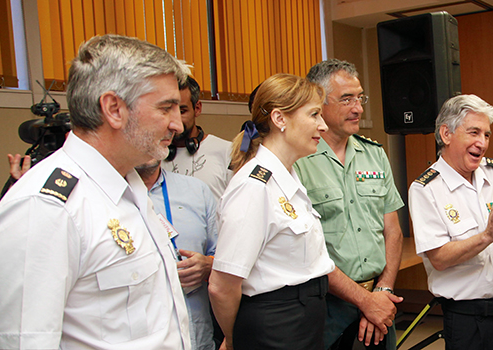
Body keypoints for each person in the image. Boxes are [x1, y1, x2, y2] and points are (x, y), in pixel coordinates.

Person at [0, 34, 192, 349]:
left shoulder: (128, 186)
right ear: (113, 109)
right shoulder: (46, 208)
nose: (178, 124)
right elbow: (21, 341)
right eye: (166, 108)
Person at [208, 73, 335, 350]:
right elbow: (222, 286)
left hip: (304, 319)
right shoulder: (254, 187)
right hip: (274, 326)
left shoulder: (288, 178)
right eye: (314, 114)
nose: (323, 126)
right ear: (280, 119)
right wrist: (234, 339)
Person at [408, 94, 493, 350]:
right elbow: (440, 258)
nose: (482, 143)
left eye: (486, 134)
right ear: (446, 134)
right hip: (471, 321)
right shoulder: (425, 189)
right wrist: (486, 237)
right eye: (474, 132)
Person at [295, 58, 404, 349]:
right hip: (327, 307)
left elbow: (392, 231)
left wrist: (382, 291)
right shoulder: (298, 161)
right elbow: (305, 250)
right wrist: (365, 301)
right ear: (319, 102)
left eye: (360, 98)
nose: (358, 108)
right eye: (346, 99)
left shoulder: (374, 154)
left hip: (380, 302)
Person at [136, 159, 219, 350]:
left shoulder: (197, 190)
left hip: (197, 337)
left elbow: (222, 256)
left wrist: (208, 265)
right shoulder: (100, 198)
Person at [162, 76, 233, 199]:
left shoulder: (227, 151)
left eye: (182, 111)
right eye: (166, 111)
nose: (175, 121)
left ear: (197, 108)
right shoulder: (152, 157)